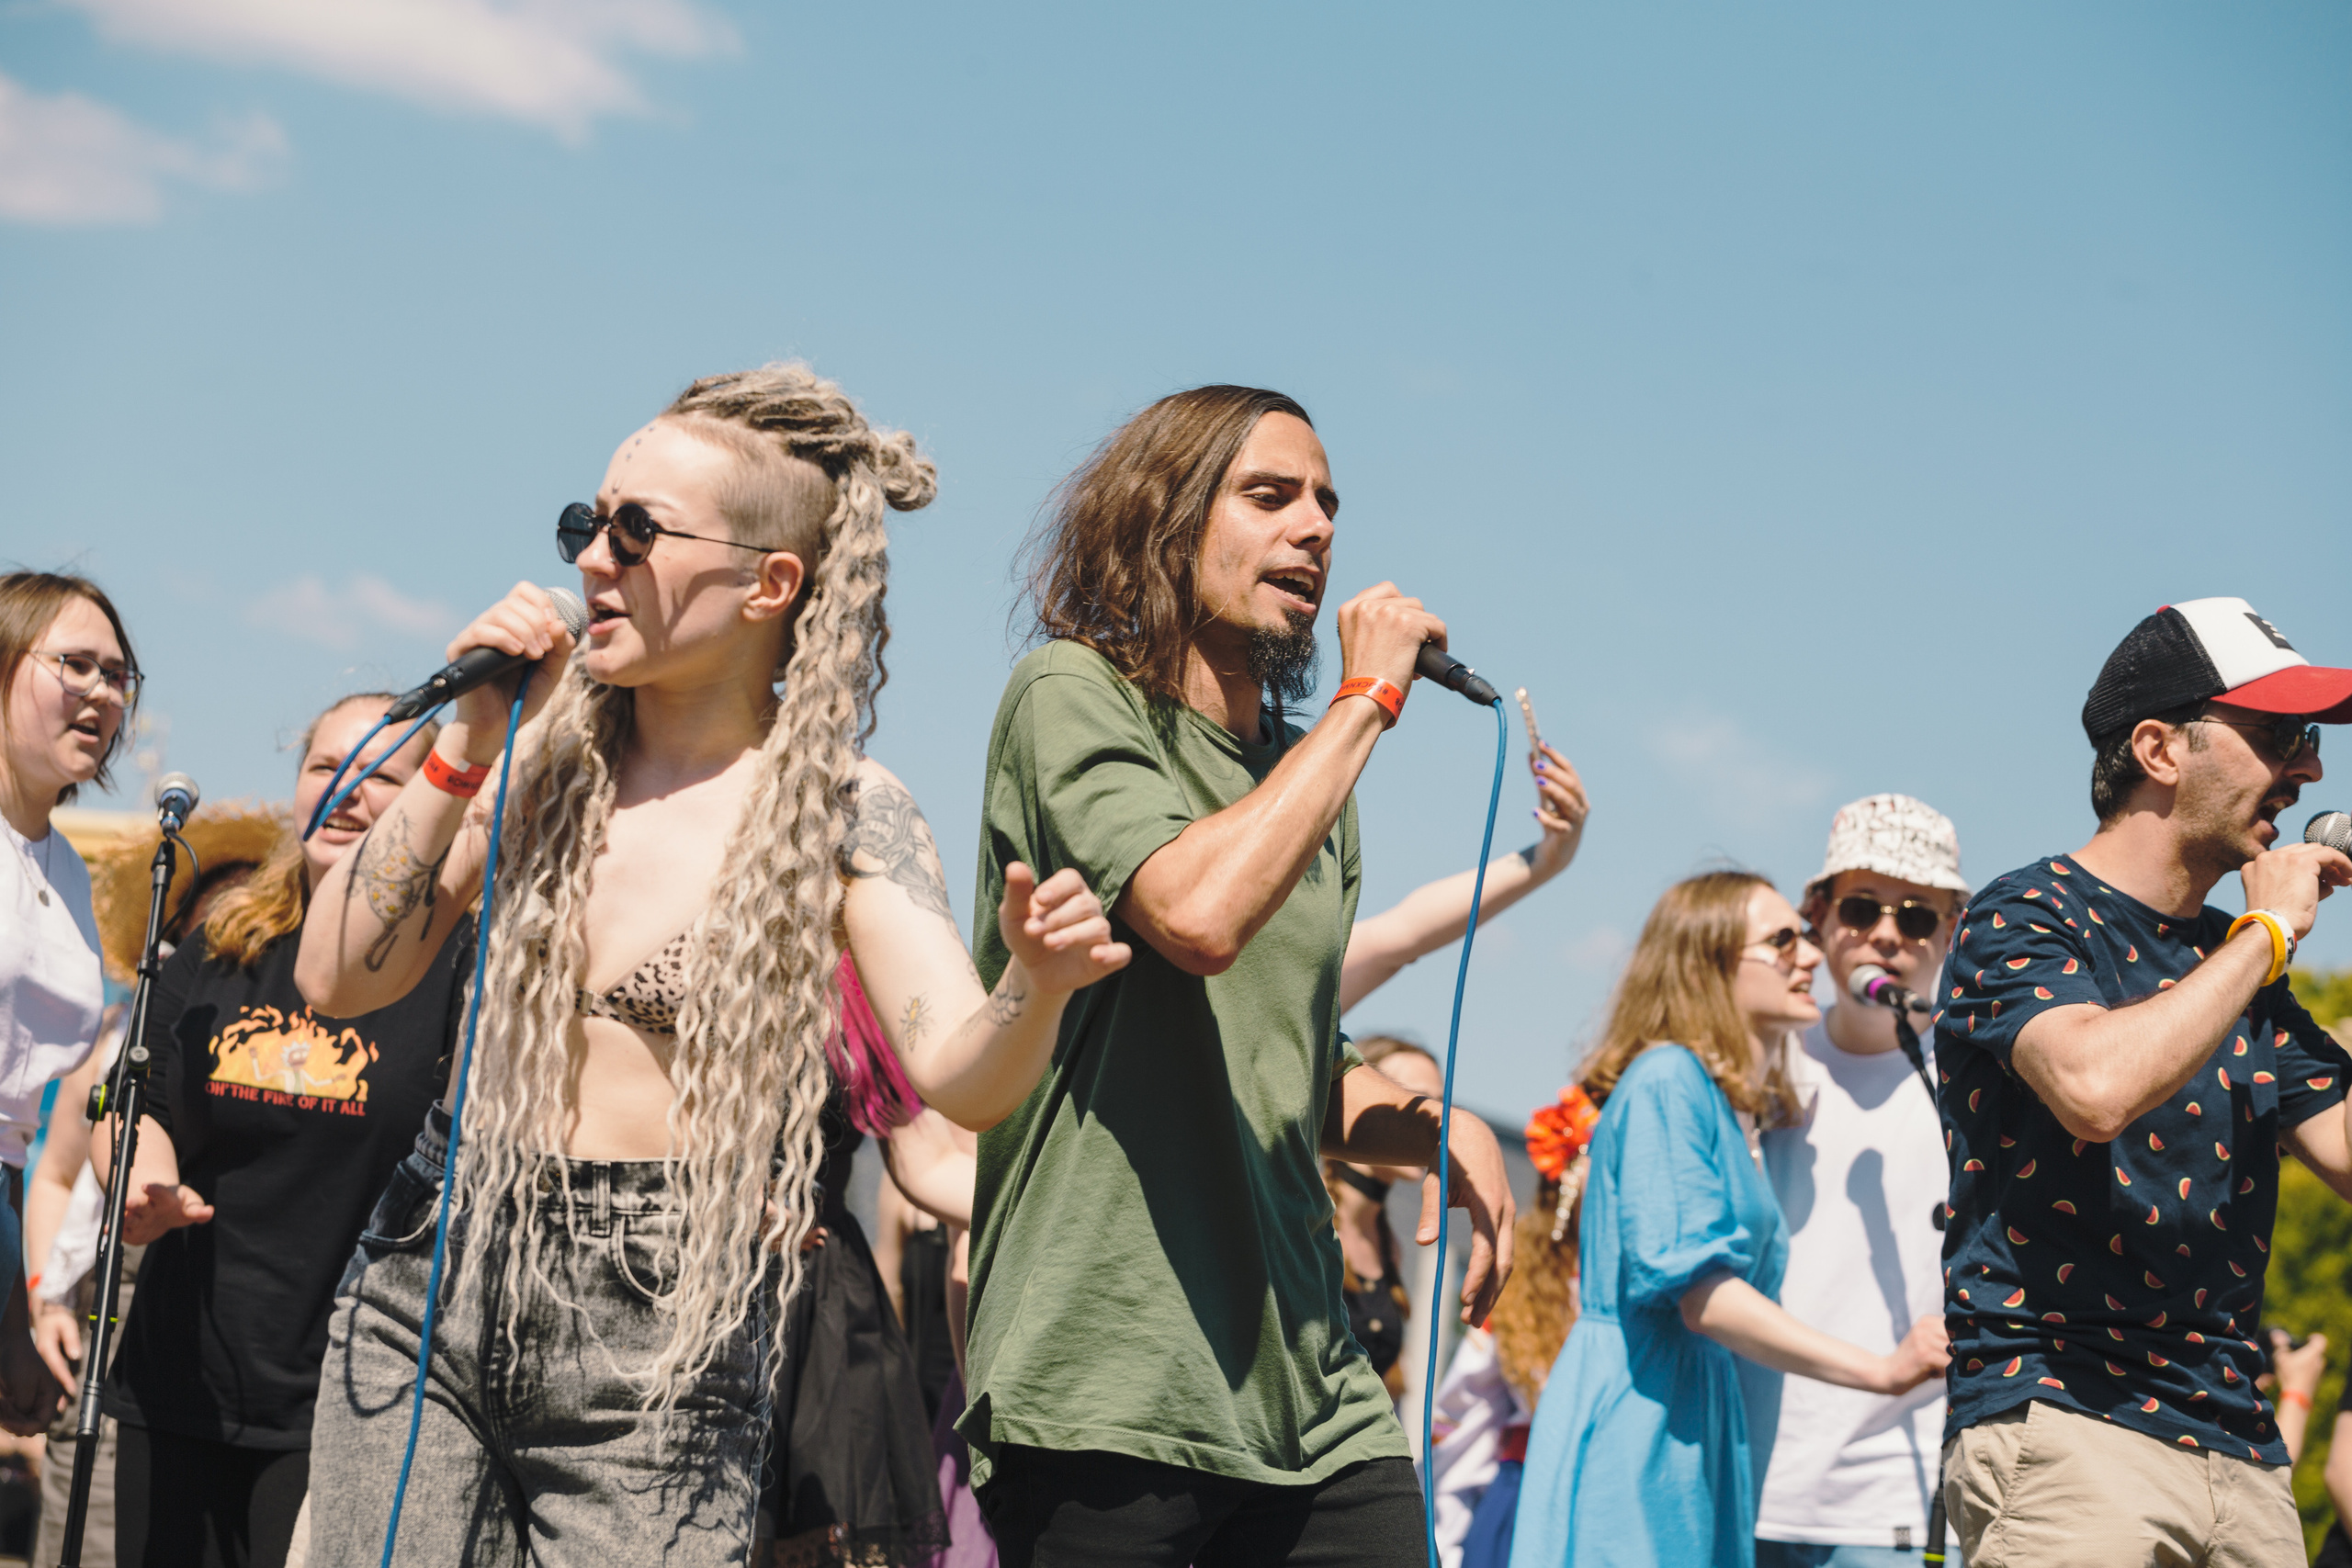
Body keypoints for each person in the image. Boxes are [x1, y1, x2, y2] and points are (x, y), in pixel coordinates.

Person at [294, 364, 1129, 1566]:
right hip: (439, 1255)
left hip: (664, 1315)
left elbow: (962, 1074)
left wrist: (1032, 988)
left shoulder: (842, 808)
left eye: (638, 531)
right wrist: (466, 741)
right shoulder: (536, 759)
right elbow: (338, 980)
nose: (595, 560)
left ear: (769, 584)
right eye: (587, 524)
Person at [963, 384, 1516, 1567]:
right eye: (1269, 496)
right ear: (1164, 523)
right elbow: (1195, 916)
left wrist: (1426, 1126)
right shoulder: (1071, 693)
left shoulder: (1309, 778)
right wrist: (1366, 704)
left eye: (1327, 506)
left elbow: (1292, 1066)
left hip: (1311, 1392)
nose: (1314, 528)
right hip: (1110, 1380)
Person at [1934, 595, 2352, 1567]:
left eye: (2311, 741)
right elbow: (2095, 1087)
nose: (2309, 771)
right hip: (2069, 1427)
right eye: (2279, 735)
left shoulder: (2239, 964)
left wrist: (2253, 949)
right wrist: (2267, 934)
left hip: (2242, 1453)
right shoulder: (2025, 914)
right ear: (2159, 749)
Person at [69, 696, 446, 1567]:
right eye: (327, 767)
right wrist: (143, 1182)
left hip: (356, 1401)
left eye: (380, 775)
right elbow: (133, 1099)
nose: (346, 790)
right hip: (181, 1381)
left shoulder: (457, 958)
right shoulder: (222, 943)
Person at [1509, 871, 1949, 1568]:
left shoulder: (1729, 1104)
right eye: (1782, 941)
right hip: (1643, 1415)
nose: (1811, 956)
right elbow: (1703, 1296)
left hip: (1694, 1416)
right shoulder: (1666, 1080)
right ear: (1707, 963)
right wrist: (1880, 1369)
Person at [28, 804, 271, 1568]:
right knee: (96, 1527)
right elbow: (55, 1174)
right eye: (213, 926)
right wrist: (42, 1297)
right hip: (114, 1304)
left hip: (250, 1332)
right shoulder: (116, 1037)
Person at [1754, 795, 1971, 1567]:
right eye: (1860, 906)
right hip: (1747, 1468)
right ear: (1817, 915)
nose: (1885, 932)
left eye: (1916, 915)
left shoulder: (1981, 1083)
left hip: (1895, 1495)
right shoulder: (1760, 1059)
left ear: (1953, 930)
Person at [0, 570, 141, 1433]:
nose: (102, 691)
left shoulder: (69, 874)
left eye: (118, 675)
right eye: (75, 664)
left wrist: (17, 1312)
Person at [1428, 1083, 1599, 1568]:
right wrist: (1444, 1537)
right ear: (1571, 1171)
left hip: (1619, 1496)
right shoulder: (1521, 1288)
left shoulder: (1671, 1285)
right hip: (1526, 1499)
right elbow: (1464, 1416)